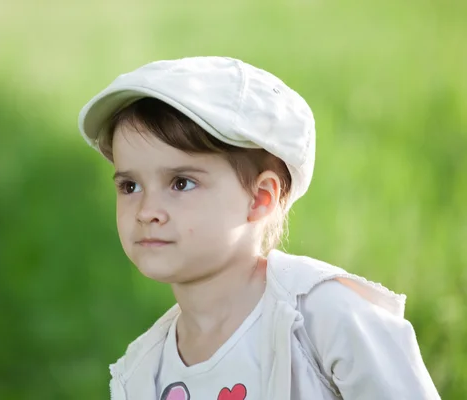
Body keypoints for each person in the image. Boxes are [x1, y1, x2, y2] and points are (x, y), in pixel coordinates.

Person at [77, 57, 440, 400]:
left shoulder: (324, 318)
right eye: (130, 186)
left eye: (181, 183)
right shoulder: (143, 371)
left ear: (260, 198)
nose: (146, 211)